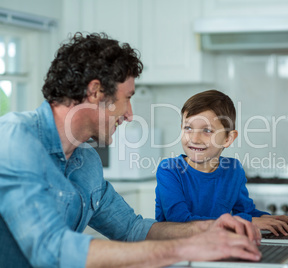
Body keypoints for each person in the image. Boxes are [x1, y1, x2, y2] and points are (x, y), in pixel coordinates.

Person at [0, 32, 263, 268]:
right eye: (127, 98)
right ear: (95, 92)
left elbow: (131, 227)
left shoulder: (86, 161)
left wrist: (209, 228)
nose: (129, 115)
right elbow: (51, 249)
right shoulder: (15, 138)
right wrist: (185, 248)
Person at [155, 89, 288, 236]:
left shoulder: (233, 170)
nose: (194, 138)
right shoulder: (169, 170)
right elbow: (179, 221)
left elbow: (246, 212)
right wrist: (248, 220)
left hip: (217, 249)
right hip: (178, 251)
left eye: (207, 130)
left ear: (228, 139)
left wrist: (271, 219)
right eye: (188, 128)